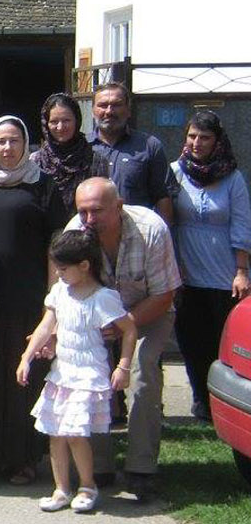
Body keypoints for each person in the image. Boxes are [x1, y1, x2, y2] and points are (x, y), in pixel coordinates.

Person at [64, 177, 180, 499]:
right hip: (99, 317)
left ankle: (141, 467)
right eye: (83, 211)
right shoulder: (76, 232)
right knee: (92, 376)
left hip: (148, 311)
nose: (89, 219)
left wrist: (123, 326)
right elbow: (67, 290)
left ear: (119, 206)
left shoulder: (152, 229)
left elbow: (164, 294)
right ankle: (98, 465)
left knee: (142, 372)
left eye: (97, 211)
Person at [0, 115, 68, 484]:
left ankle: (24, 457)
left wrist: (51, 303)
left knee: (23, 377)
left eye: (14, 141)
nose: (7, 148)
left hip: (27, 298)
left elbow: (55, 247)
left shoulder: (42, 185)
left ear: (26, 144)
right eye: (1, 141)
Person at [16, 230, 137, 513]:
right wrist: (27, 357)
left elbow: (129, 329)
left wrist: (124, 366)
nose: (58, 274)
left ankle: (87, 485)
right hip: (62, 372)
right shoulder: (60, 291)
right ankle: (61, 488)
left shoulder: (103, 298)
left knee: (74, 433)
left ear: (84, 266)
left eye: (63, 268)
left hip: (87, 374)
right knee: (55, 431)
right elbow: (45, 326)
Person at [169, 111, 251, 421]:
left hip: (224, 275)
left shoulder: (232, 177)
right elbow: (167, 221)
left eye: (204, 137)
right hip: (186, 273)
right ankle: (201, 403)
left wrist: (241, 271)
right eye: (192, 136)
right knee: (192, 342)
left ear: (217, 141)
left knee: (221, 342)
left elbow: (242, 224)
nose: (197, 143)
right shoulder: (175, 172)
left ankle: (224, 404)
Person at [91, 82, 177, 224]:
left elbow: (162, 197)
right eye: (103, 105)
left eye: (117, 105)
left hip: (138, 233)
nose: (109, 111)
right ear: (93, 110)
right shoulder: (83, 147)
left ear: (128, 110)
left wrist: (163, 233)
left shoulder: (149, 146)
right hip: (92, 232)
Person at [31, 92, 97, 215]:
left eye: (66, 120)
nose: (60, 127)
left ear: (77, 121)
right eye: (54, 121)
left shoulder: (95, 160)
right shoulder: (36, 161)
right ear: (46, 124)